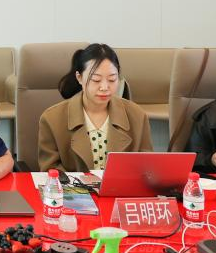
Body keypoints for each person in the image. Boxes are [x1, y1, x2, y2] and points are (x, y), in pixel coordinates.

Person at [37, 43, 154, 171]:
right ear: (79, 78)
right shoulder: (52, 119)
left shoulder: (137, 116)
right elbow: (50, 169)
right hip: (72, 185)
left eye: (112, 80)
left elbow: (147, 167)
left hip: (122, 184)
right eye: (96, 80)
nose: (104, 87)